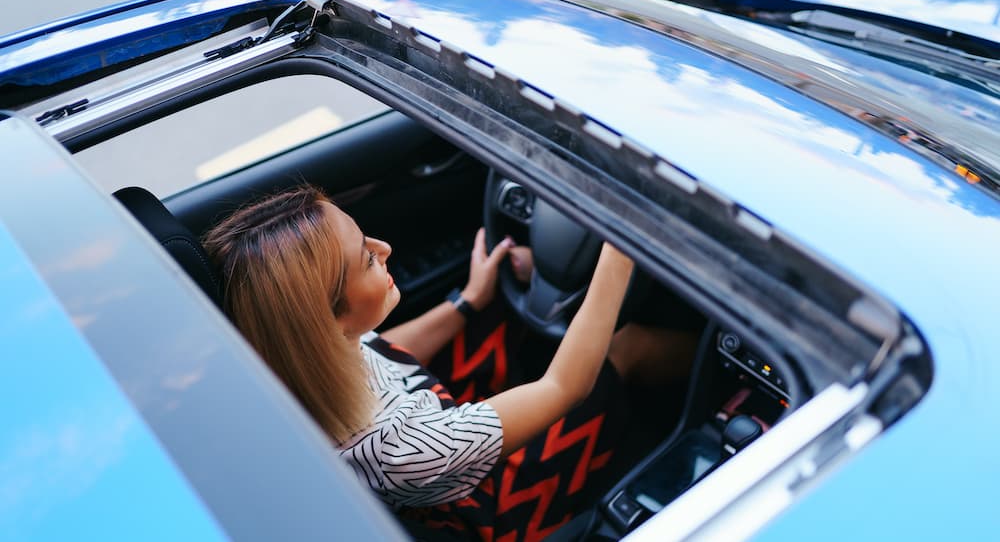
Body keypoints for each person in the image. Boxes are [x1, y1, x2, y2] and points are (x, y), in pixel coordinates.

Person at [203, 185, 693, 541]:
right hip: (501, 504)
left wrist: (470, 301)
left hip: (440, 422)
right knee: (624, 347)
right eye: (367, 260)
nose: (384, 248)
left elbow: (381, 348)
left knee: (503, 309)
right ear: (326, 322)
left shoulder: (295, 361)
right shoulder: (398, 450)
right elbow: (566, 387)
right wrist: (621, 248)